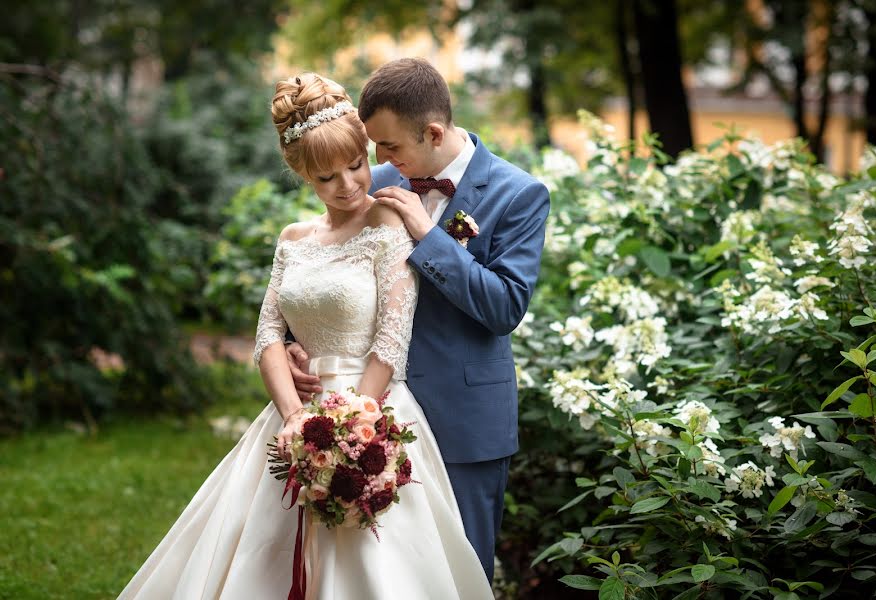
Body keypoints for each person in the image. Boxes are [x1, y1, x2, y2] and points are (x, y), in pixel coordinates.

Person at [117, 73, 493, 600]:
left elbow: (391, 340)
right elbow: (268, 334)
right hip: (295, 409)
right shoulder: (293, 239)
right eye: (325, 177)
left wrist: (350, 429)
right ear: (303, 177)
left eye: (356, 165)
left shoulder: (388, 222)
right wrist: (295, 418)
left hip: (373, 408)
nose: (347, 185)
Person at [285, 58, 551, 581]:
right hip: (369, 411)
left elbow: (504, 307)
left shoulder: (518, 194)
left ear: (432, 132)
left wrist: (429, 239)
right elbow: (323, 261)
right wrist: (298, 339)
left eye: (387, 147)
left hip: (463, 421)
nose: (374, 160)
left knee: (460, 573)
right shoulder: (375, 179)